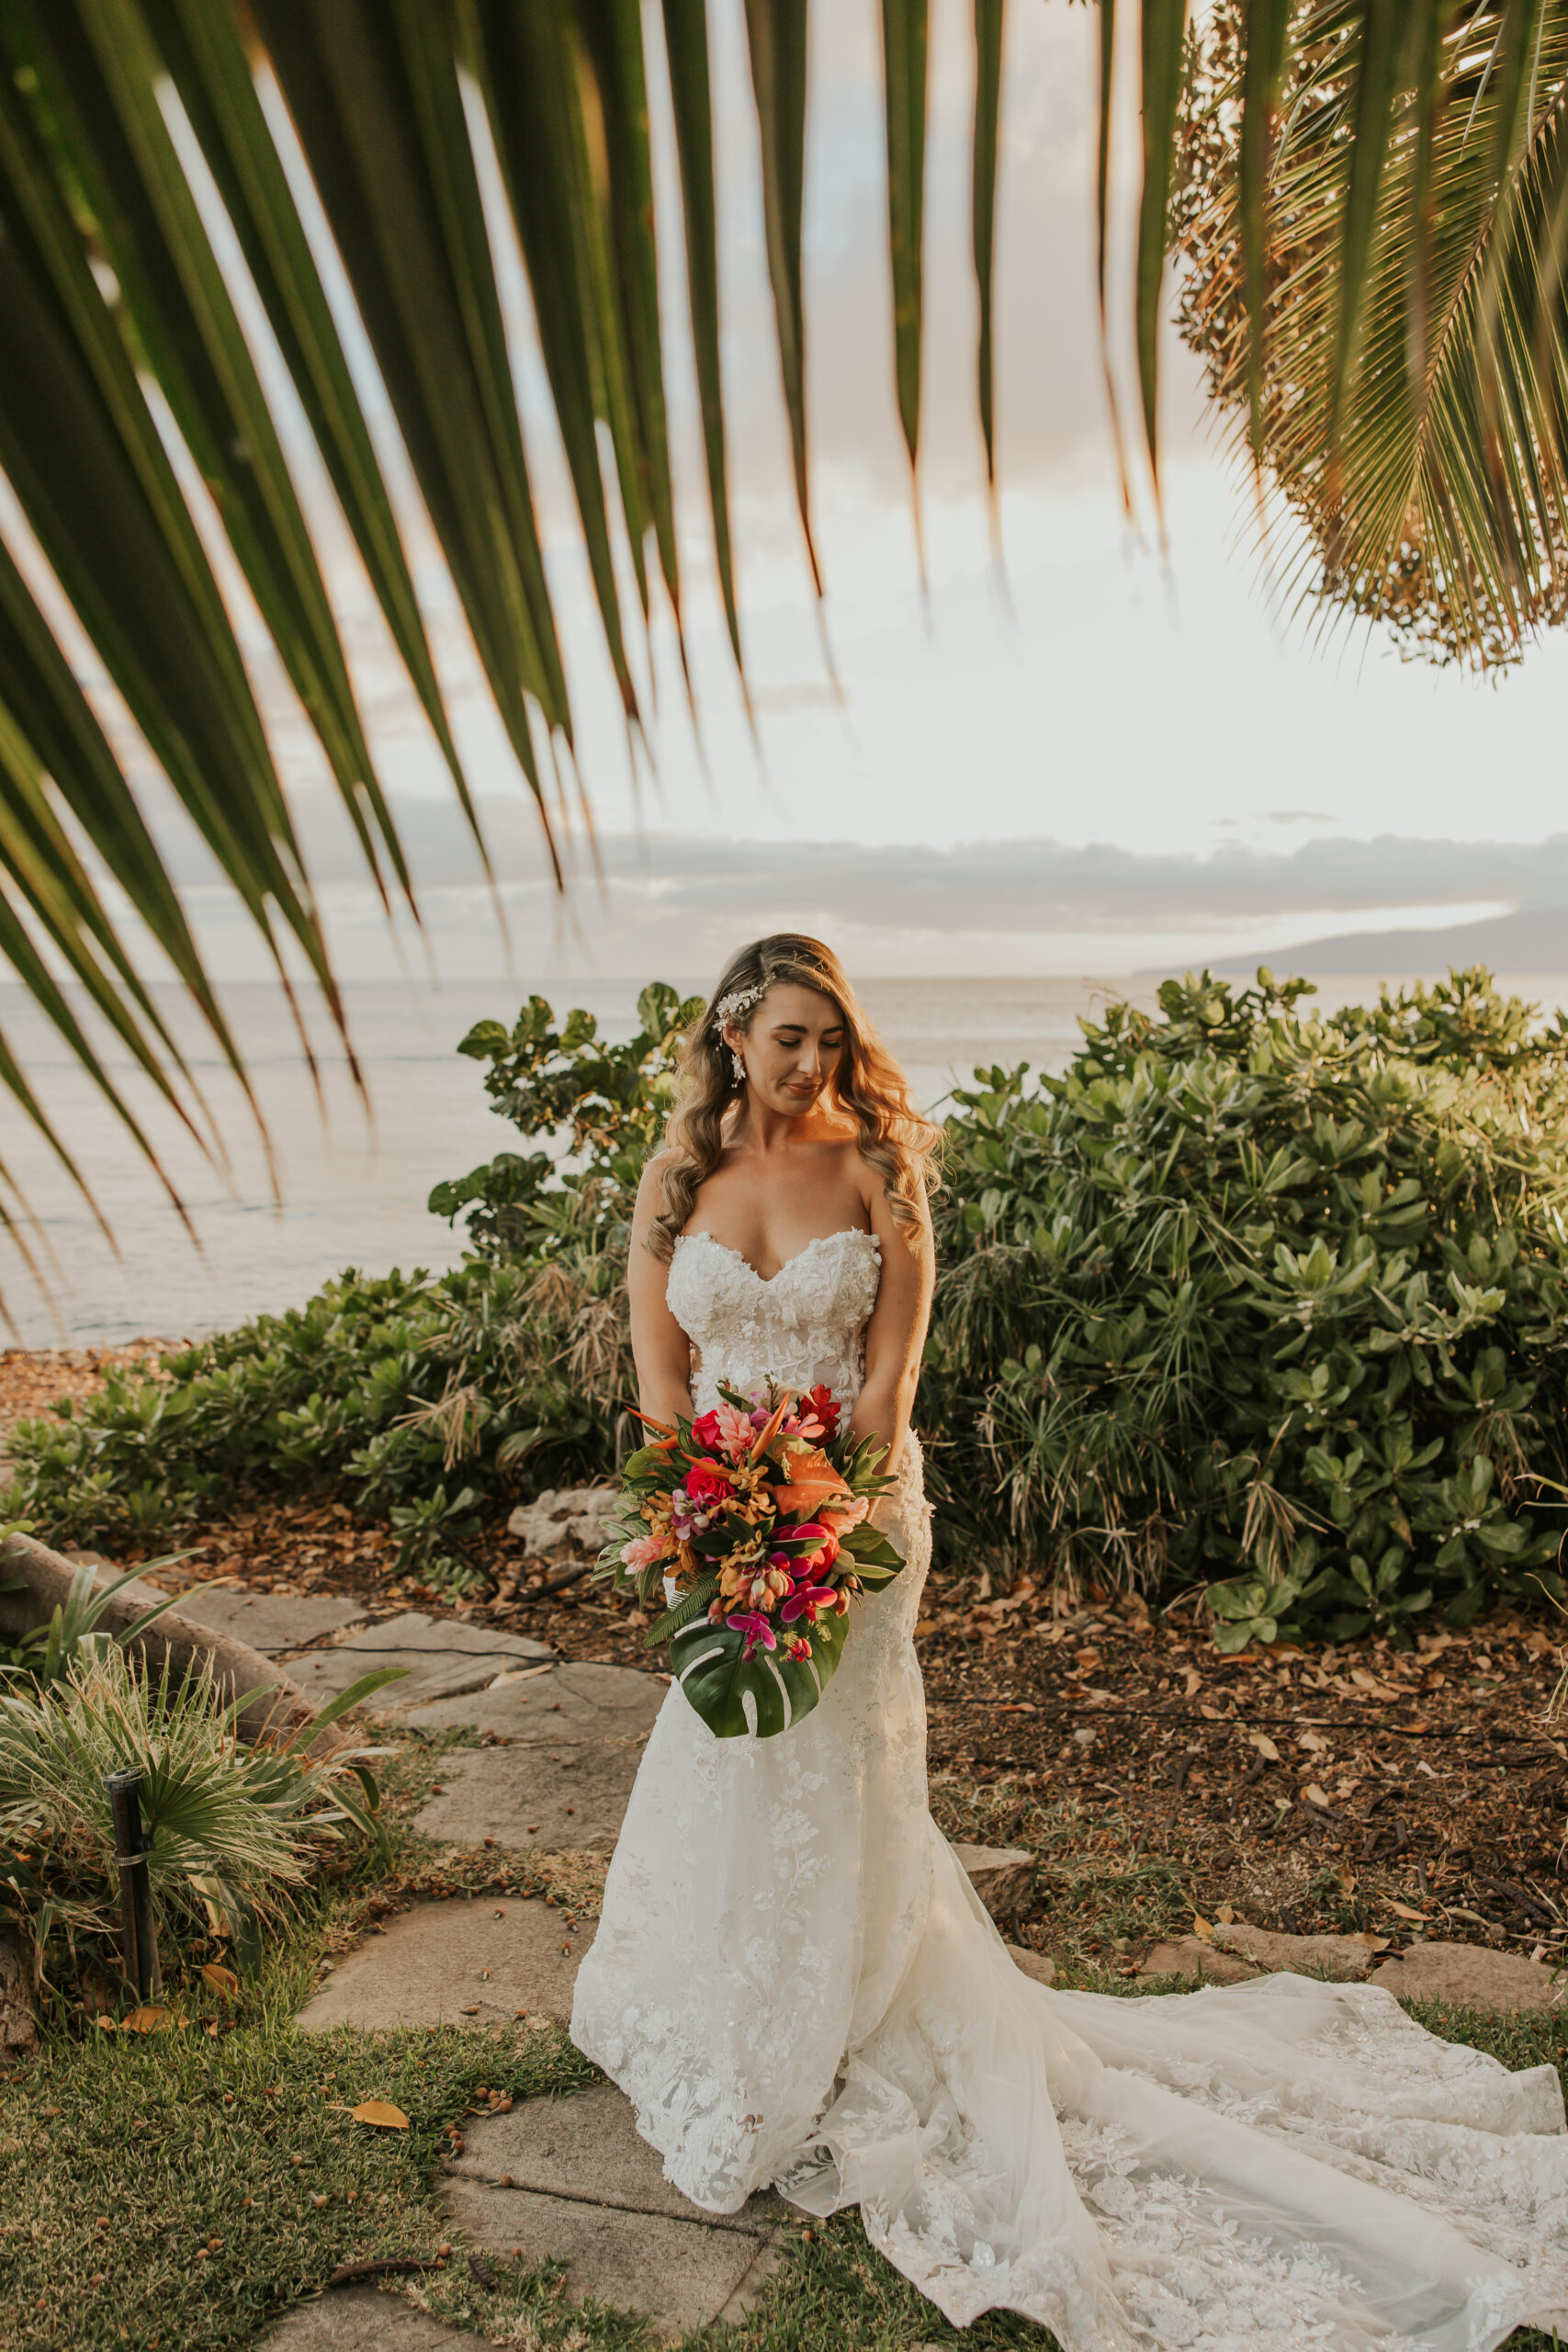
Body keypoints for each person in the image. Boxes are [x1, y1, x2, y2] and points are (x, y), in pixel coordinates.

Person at [571, 933, 1568, 2347]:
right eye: (787, 1037)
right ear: (733, 1035)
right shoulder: (675, 1184)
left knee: (834, 1774)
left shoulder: (880, 1175)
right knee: (729, 1761)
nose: (811, 1064)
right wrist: (714, 1521)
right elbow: (660, 1385)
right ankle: (732, 2023)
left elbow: (890, 1388)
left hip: (850, 1523)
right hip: (722, 1527)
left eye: (828, 1041)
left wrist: (808, 1531)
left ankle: (832, 2026)